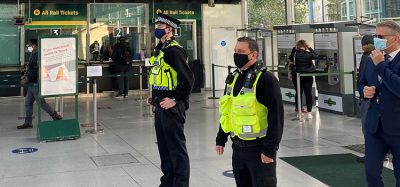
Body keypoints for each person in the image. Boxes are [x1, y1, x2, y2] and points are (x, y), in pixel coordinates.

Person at [215, 37, 284, 187]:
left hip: (259, 149)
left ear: (253, 55)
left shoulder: (266, 79)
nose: (236, 55)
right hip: (238, 148)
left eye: (241, 51)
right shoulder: (233, 78)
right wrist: (221, 137)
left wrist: (269, 150)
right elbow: (228, 111)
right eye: (235, 51)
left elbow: (276, 116)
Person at [146, 13, 194, 187]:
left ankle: (180, 184)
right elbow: (162, 77)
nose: (156, 30)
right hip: (160, 106)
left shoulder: (174, 51)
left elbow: (188, 80)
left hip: (172, 109)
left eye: (160, 27)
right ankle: (167, 183)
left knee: (176, 151)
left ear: (169, 30)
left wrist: (175, 99)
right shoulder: (161, 50)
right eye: (156, 27)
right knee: (165, 150)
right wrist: (155, 96)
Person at [358, 20, 400, 187]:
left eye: (380, 36)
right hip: (375, 127)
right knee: (371, 172)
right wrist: (364, 91)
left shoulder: (377, 60)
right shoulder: (370, 59)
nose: (376, 40)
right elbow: (361, 83)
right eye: (375, 36)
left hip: (398, 128)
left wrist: (381, 65)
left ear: (395, 38)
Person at [17, 39, 62, 129]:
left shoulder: (37, 55)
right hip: (31, 84)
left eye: (29, 45)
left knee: (41, 103)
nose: (28, 47)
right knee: (28, 102)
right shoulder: (32, 54)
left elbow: (37, 70)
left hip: (36, 83)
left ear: (34, 45)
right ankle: (28, 122)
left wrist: (27, 79)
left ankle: (55, 115)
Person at [356, 34, 375, 163]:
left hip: (367, 97)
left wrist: (362, 94)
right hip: (377, 96)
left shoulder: (366, 57)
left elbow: (362, 78)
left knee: (367, 126)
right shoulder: (379, 55)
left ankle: (371, 154)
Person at [288, 40, 318, 119]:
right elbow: (316, 55)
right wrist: (310, 48)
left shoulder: (294, 54)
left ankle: (299, 111)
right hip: (307, 76)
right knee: (308, 93)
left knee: (298, 93)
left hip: (297, 76)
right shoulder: (308, 54)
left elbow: (290, 57)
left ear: (297, 46)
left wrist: (294, 48)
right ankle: (309, 113)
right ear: (305, 46)